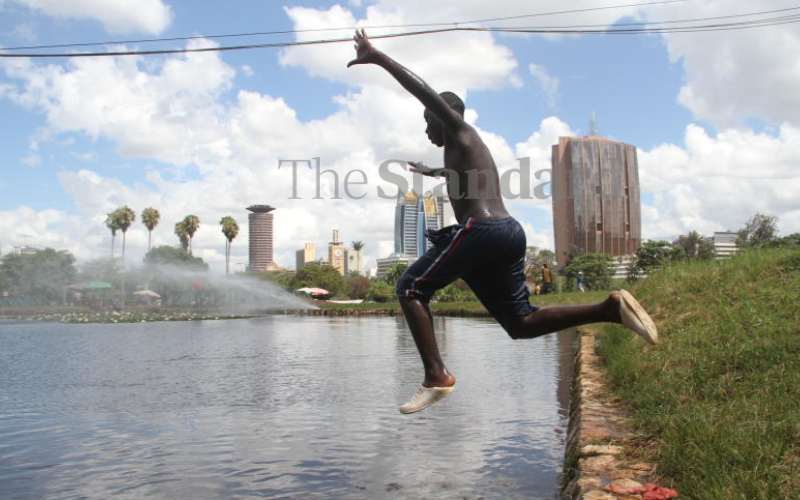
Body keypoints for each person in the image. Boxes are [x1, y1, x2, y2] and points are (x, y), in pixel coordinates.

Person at [347, 29, 658, 414]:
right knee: (521, 324)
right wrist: (432, 171)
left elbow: (424, 92)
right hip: (507, 234)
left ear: (442, 118)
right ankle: (608, 309)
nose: (426, 130)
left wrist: (378, 58)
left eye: (428, 123)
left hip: (485, 232)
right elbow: (461, 180)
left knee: (410, 288)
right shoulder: (462, 152)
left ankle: (437, 376)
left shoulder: (460, 131)